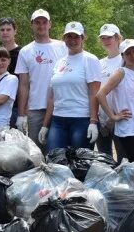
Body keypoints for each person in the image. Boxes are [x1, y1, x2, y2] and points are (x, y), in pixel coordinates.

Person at [40, 22, 102, 152]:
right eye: (69, 37)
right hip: (58, 120)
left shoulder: (90, 59)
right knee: (54, 159)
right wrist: (45, 125)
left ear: (82, 38)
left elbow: (94, 93)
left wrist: (93, 122)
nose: (72, 40)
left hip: (81, 119)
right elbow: (52, 96)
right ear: (64, 39)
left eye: (76, 37)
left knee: (78, 164)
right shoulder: (59, 62)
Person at [16, 9, 67, 147]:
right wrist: (21, 114)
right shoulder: (25, 51)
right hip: (35, 108)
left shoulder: (63, 47)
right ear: (32, 25)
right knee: (36, 150)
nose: (41, 25)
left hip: (61, 106)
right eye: (37, 22)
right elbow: (24, 85)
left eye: (44, 22)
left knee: (59, 149)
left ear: (50, 24)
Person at [96, 40, 134, 162]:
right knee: (132, 169)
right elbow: (100, 94)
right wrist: (113, 116)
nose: (132, 55)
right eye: (128, 53)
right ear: (122, 56)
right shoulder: (121, 72)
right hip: (127, 130)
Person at [96, 23, 125, 157]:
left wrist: (113, 117)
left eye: (110, 37)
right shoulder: (99, 63)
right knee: (104, 159)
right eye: (103, 38)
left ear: (118, 38)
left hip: (120, 118)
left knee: (122, 159)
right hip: (102, 118)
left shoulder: (125, 60)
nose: (106, 41)